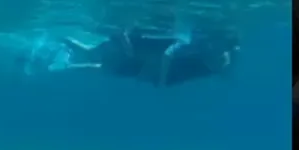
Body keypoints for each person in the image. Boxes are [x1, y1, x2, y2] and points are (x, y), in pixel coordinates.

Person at [62, 26, 239, 87]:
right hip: (150, 66)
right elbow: (167, 55)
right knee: (101, 61)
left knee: (103, 64)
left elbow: (167, 56)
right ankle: (65, 44)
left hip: (150, 68)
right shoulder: (201, 50)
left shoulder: (217, 58)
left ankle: (67, 53)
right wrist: (161, 80)